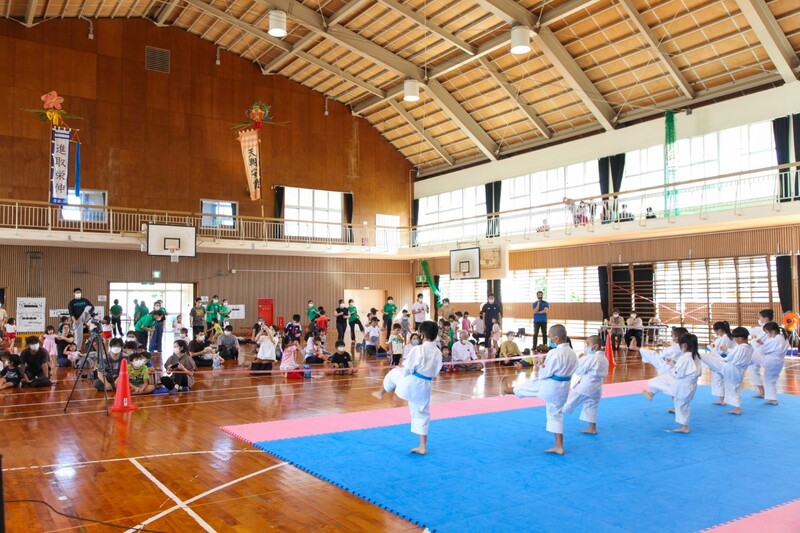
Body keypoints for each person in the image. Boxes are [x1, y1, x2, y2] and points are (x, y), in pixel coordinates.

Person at [501, 324, 578, 454]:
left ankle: (507, 390)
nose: (548, 338)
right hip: (564, 387)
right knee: (555, 413)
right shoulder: (572, 352)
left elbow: (545, 373)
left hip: (552, 386)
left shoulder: (554, 353)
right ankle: (558, 445)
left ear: (556, 339)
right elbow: (573, 369)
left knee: (530, 386)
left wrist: (541, 366)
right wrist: (543, 366)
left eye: (549, 336)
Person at [372, 320, 442, 455]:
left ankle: (381, 392)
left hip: (412, 383)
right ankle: (422, 446)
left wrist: (402, 371)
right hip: (426, 386)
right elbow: (436, 372)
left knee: (394, 373)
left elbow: (407, 368)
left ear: (422, 335)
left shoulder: (418, 349)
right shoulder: (438, 352)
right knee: (422, 413)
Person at [642, 333, 702, 433]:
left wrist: (672, 365)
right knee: (682, 404)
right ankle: (684, 426)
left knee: (679, 403)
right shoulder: (695, 356)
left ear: (684, 345)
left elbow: (677, 373)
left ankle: (684, 427)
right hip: (690, 385)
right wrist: (675, 364)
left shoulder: (685, 358)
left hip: (682, 385)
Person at [700, 326, 753, 415]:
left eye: (735, 338)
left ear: (740, 338)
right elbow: (734, 355)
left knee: (706, 358)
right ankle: (736, 407)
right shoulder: (749, 347)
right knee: (733, 387)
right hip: (737, 369)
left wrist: (721, 357)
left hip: (731, 368)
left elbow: (731, 358)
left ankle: (737, 408)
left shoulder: (741, 348)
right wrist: (727, 350)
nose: (735, 340)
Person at [563, 335, 608, 434]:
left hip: (585, 387)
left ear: (595, 346)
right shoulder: (604, 358)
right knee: (591, 406)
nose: (586, 347)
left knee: (568, 404)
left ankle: (556, 417)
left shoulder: (591, 358)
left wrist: (580, 359)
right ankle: (592, 428)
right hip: (597, 388)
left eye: (587, 345)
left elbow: (579, 371)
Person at [751, 321, 789, 405]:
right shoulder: (784, 338)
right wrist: (763, 344)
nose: (767, 335)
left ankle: (745, 360)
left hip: (770, 361)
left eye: (767, 333)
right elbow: (771, 348)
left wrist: (760, 345)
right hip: (779, 362)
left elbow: (764, 350)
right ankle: (772, 399)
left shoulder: (774, 340)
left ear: (772, 332)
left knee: (755, 352)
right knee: (770, 380)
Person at [708, 321, 736, 405]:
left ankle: (722, 399)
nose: (715, 333)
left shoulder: (722, 338)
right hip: (730, 361)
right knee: (727, 380)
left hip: (721, 360)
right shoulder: (730, 337)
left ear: (719, 330)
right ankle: (727, 398)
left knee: (718, 379)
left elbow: (718, 351)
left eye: (715, 331)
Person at [748, 308, 773, 396]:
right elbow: (752, 331)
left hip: (764, 353)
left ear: (765, 319)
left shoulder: (765, 329)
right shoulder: (764, 328)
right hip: (763, 353)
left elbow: (759, 339)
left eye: (760, 317)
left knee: (756, 370)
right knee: (754, 369)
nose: (759, 319)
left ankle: (764, 392)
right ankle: (763, 392)